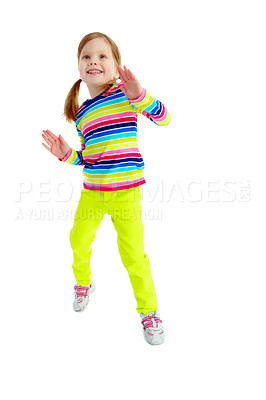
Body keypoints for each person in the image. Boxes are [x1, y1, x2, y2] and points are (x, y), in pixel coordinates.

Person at [41, 32, 171, 345]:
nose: (93, 61)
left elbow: (164, 118)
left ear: (116, 67)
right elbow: (86, 157)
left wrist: (141, 96)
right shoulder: (82, 114)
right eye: (86, 57)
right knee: (77, 239)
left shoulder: (126, 94)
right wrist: (66, 155)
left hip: (126, 193)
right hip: (92, 193)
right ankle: (84, 283)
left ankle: (149, 312)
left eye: (102, 56)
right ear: (79, 67)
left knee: (133, 255)